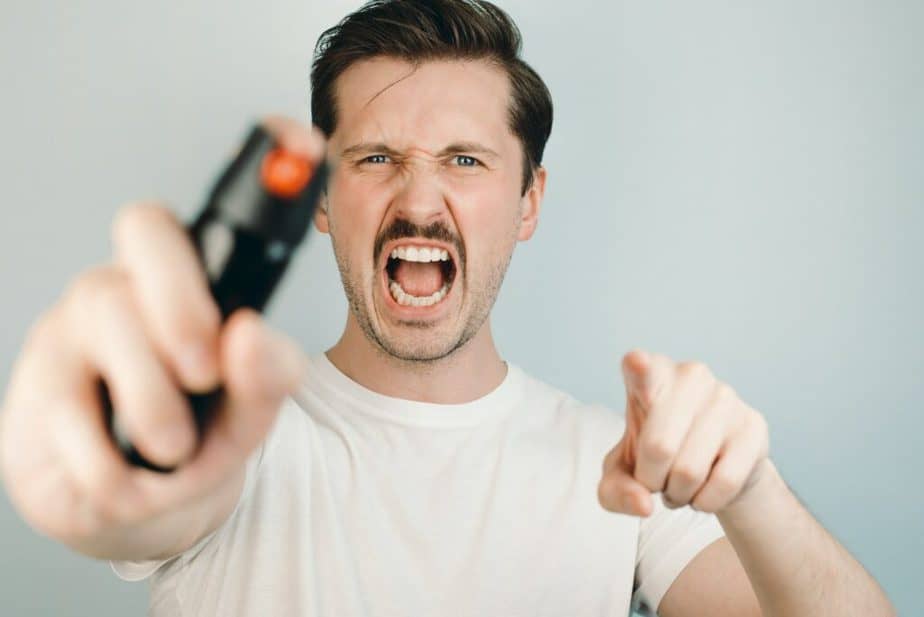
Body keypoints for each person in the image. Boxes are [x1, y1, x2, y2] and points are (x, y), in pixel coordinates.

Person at [0, 1, 895, 615]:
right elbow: (139, 501)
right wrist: (99, 465)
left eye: (465, 160)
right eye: (376, 157)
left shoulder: (620, 464)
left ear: (529, 201)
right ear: (319, 197)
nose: (421, 202)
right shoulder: (232, 433)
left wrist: (752, 491)